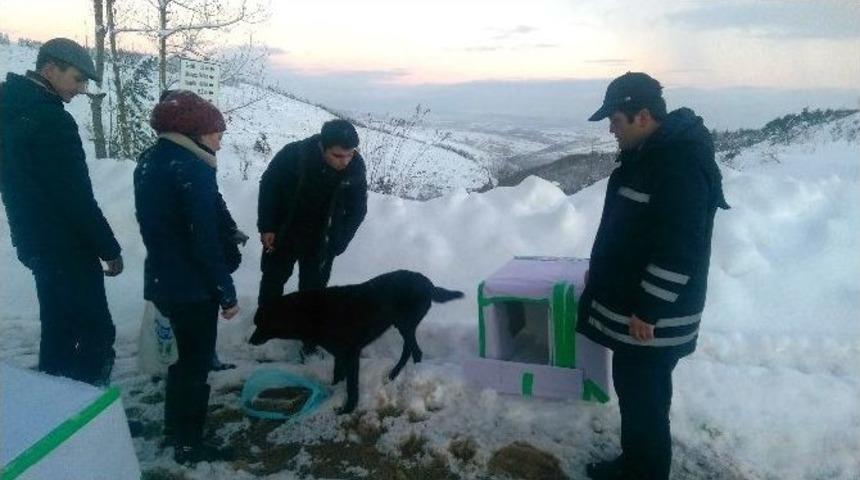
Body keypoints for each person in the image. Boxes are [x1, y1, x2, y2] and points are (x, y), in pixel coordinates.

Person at [578, 72, 730, 480]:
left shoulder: (678, 165)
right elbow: (634, 230)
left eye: (615, 119)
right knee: (635, 393)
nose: (610, 128)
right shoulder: (652, 156)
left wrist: (649, 308)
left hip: (652, 321)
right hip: (639, 315)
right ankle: (635, 465)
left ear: (642, 116)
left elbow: (682, 248)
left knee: (645, 401)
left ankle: (645, 472)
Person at [0, 38, 123, 386]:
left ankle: (52, 407)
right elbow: (75, 197)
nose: (81, 89)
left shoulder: (8, 108)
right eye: (77, 79)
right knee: (97, 332)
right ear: (49, 69)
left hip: (34, 242)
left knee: (58, 328)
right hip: (67, 247)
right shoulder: (53, 121)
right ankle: (89, 419)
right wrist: (108, 247)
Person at [134, 90, 244, 465]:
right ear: (195, 131)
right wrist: (225, 292)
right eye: (216, 133)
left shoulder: (152, 160)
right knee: (194, 368)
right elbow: (203, 239)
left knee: (180, 364)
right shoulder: (191, 168)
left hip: (165, 279)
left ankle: (174, 429)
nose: (220, 141)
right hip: (192, 287)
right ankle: (190, 444)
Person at [256, 119, 368, 355]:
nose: (345, 161)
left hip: (322, 240)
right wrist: (267, 226)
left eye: (350, 154)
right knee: (273, 281)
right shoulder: (294, 156)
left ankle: (309, 341)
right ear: (322, 146)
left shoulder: (355, 166)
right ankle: (266, 326)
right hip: (285, 233)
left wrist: (340, 240)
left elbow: (358, 209)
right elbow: (269, 187)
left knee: (314, 291)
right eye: (338, 156)